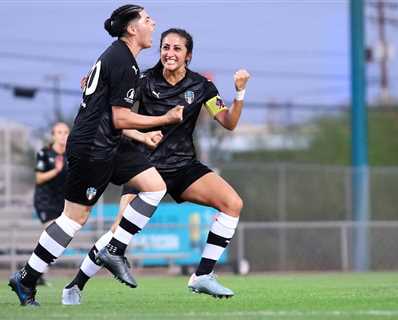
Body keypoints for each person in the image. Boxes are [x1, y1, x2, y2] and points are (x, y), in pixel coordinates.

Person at [8, 5, 185, 307]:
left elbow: (108, 116)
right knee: (73, 219)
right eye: (146, 19)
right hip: (92, 149)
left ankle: (114, 248)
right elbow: (119, 118)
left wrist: (142, 135)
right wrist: (164, 119)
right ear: (131, 29)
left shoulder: (120, 58)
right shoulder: (123, 62)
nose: (152, 22)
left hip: (109, 145)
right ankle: (26, 279)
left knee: (155, 186)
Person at [61, 28, 250, 304]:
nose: (170, 53)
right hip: (144, 168)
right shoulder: (142, 80)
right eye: (165, 47)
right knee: (117, 235)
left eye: (177, 49)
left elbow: (229, 122)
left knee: (233, 204)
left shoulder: (202, 87)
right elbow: (116, 108)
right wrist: (96, 85)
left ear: (189, 55)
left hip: (183, 166)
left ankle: (203, 275)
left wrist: (240, 92)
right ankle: (74, 286)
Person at [32, 122, 70, 286]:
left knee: (53, 238)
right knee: (52, 234)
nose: (62, 135)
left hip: (62, 203)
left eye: (65, 132)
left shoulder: (71, 154)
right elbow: (39, 178)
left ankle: (36, 271)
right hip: (45, 201)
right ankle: (35, 272)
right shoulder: (44, 153)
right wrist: (56, 170)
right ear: (53, 135)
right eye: (59, 132)